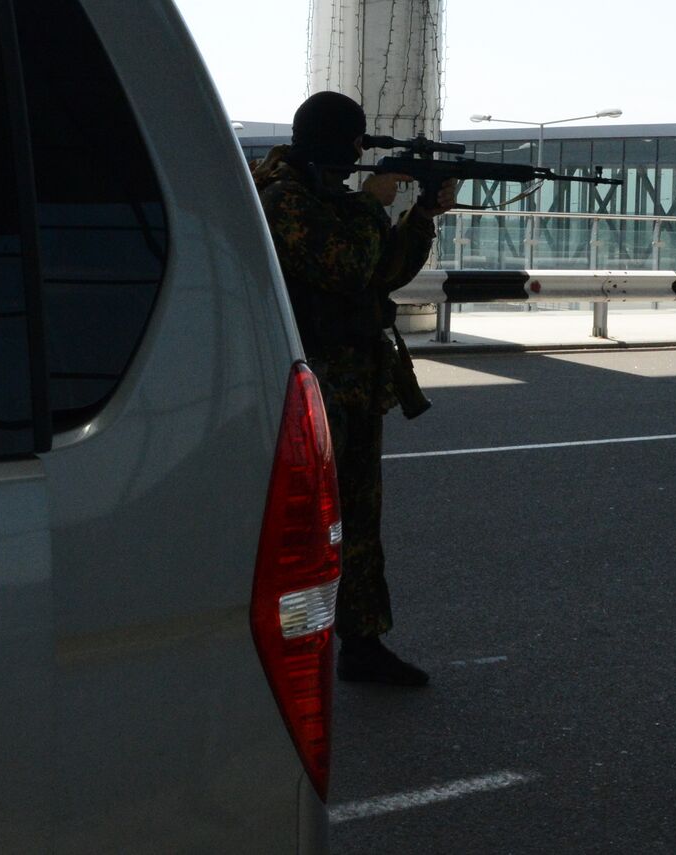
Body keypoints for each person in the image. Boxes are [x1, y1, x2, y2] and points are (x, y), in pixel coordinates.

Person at [255, 91, 457, 687]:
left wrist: (421, 218)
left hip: (352, 381)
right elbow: (344, 267)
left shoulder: (330, 196)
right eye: (353, 138)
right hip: (312, 385)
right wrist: (373, 204)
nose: (358, 150)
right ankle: (294, 643)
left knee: (359, 521)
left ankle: (363, 642)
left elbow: (381, 272)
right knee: (307, 526)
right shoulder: (284, 198)